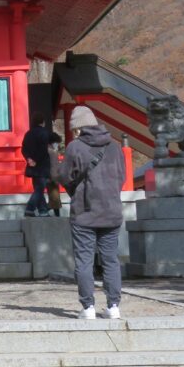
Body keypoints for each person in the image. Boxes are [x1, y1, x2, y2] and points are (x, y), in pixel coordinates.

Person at [60, 106, 126, 320]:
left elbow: (65, 176)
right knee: (111, 260)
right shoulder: (114, 146)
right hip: (111, 211)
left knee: (84, 261)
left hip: (84, 213)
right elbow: (121, 177)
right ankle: (114, 306)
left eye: (74, 129)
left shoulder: (74, 147)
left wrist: (76, 193)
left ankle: (88, 307)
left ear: (78, 128)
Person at [21, 112, 59, 217]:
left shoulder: (28, 134)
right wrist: (36, 160)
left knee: (38, 189)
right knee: (39, 189)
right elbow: (43, 150)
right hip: (42, 166)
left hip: (32, 166)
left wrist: (29, 159)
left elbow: (23, 149)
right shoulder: (44, 133)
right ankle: (29, 208)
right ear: (42, 122)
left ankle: (43, 211)